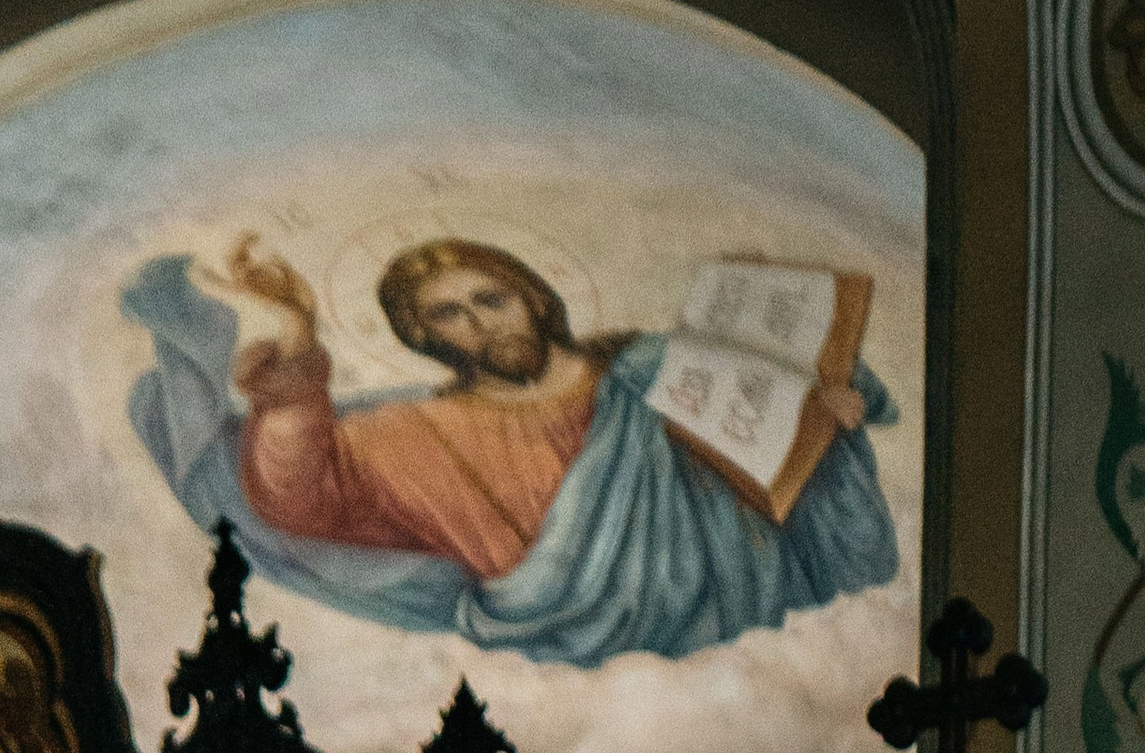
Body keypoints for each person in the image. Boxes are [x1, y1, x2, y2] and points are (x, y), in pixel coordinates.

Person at [125, 231, 900, 667]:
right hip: (589, 675)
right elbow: (296, 491)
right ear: (424, 338)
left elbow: (780, 414)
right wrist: (298, 330)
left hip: (748, 635)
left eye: (490, 298)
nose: (480, 324)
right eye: (448, 316)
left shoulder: (649, 371)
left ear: (532, 295)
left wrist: (826, 411)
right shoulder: (413, 436)